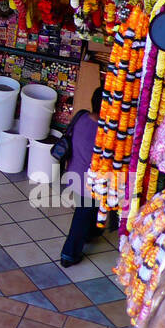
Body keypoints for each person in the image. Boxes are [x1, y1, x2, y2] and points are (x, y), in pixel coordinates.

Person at [60, 87, 104, 267]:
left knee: (87, 209)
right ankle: (69, 254)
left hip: (73, 172)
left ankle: (91, 232)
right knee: (82, 215)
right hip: (88, 182)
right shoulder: (105, 132)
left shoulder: (81, 117)